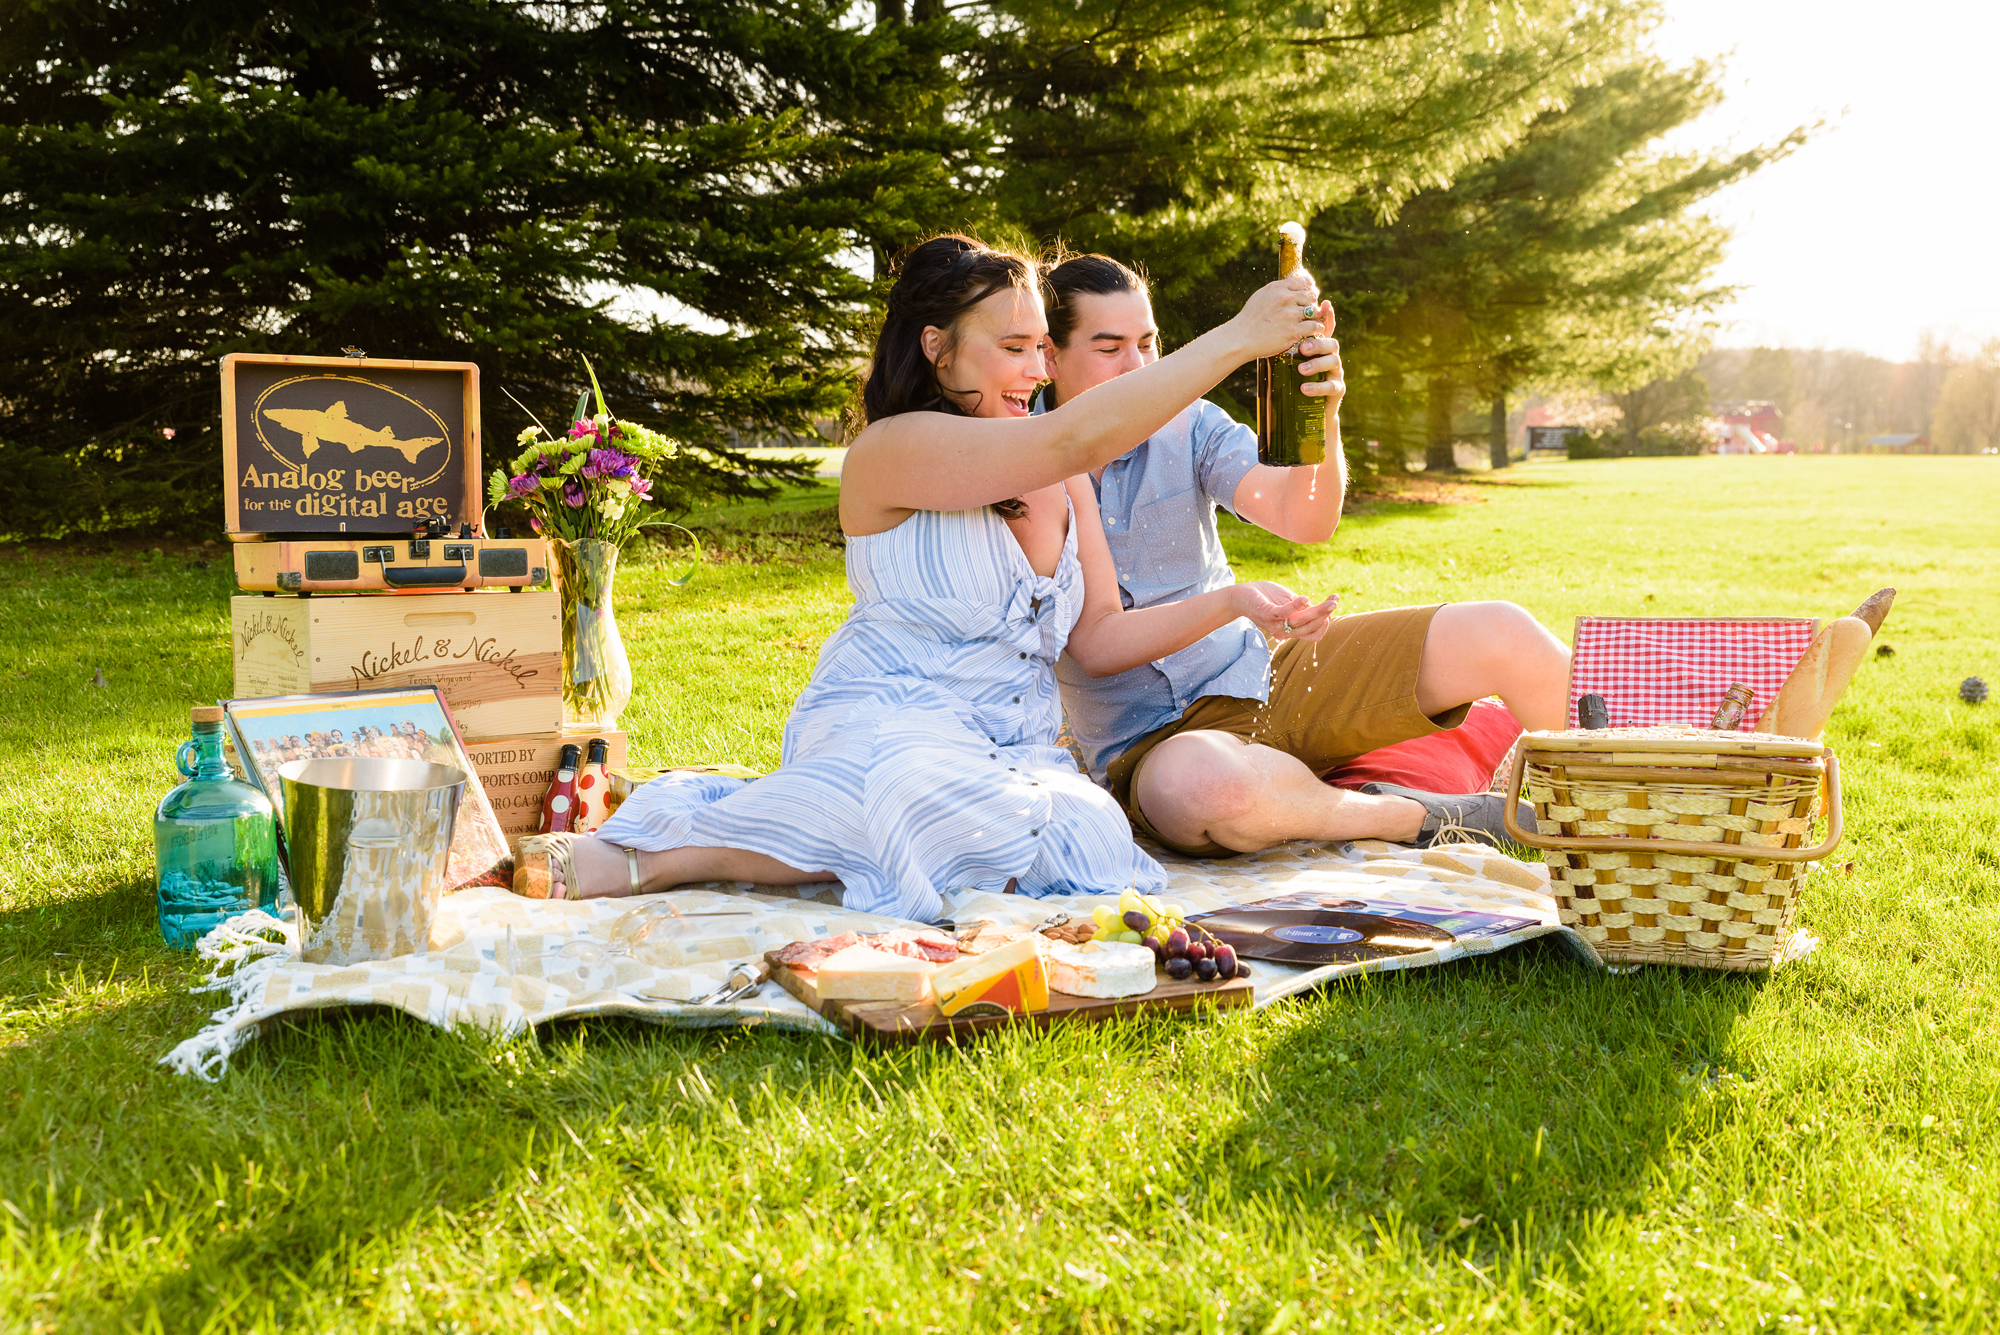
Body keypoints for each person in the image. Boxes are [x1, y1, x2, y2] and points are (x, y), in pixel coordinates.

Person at [510, 234, 1336, 921]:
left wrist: (1230, 597)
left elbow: (1099, 631)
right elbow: (1070, 438)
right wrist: (1234, 338)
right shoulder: (893, 451)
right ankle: (652, 857)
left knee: (1088, 834)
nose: (1038, 372)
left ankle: (813, 829)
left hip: (1010, 753)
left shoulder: (1061, 477)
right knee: (909, 783)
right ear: (935, 348)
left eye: (1041, 350)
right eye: (1014, 349)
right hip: (889, 719)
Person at [1039, 254, 1570, 857]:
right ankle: (1408, 815)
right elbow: (1097, 645)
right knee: (1203, 788)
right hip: (1154, 743)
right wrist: (1233, 602)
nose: (1138, 367)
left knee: (1501, 631)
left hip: (1264, 680)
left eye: (1148, 343)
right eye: (1110, 348)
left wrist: (1325, 413)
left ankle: (1641, 802)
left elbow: (1305, 519)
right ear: (1049, 357)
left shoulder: (1191, 427)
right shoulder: (1026, 464)